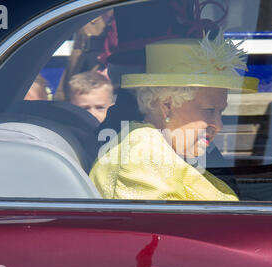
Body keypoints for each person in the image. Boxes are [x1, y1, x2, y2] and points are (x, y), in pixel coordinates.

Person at [89, 32, 258, 201]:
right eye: (209, 110)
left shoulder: (166, 148)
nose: (218, 124)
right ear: (167, 105)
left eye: (220, 112)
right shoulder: (143, 158)